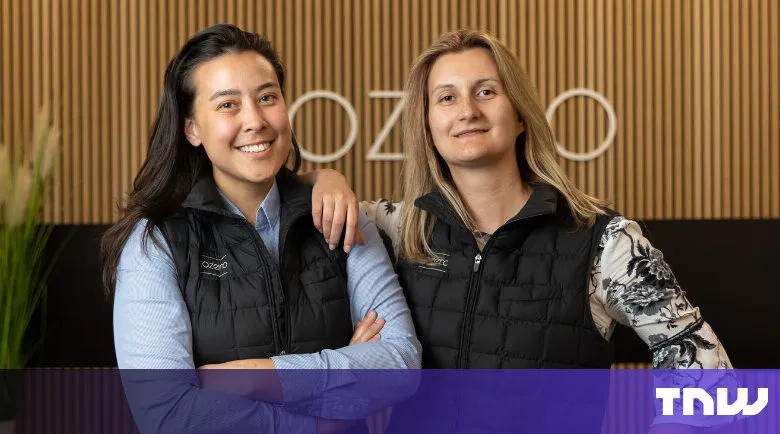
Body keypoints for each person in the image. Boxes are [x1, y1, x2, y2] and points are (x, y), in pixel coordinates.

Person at [314, 30, 732, 432]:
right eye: (446, 98)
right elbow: (276, 192)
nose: (467, 111)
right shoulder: (397, 228)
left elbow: (707, 364)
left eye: (486, 92)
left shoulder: (602, 240)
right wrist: (325, 177)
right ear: (427, 127)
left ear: (519, 115)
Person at [101, 24, 420, 433]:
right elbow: (167, 415)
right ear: (192, 128)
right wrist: (325, 418)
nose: (255, 120)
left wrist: (259, 375)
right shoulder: (157, 241)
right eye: (227, 105)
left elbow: (401, 362)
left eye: (267, 97)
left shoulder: (341, 218)